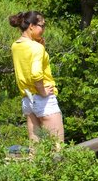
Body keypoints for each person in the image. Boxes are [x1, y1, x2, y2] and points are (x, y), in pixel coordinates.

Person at [8, 11, 64, 145]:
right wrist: (43, 91)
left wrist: (41, 47)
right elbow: (35, 73)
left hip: (28, 100)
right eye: (42, 25)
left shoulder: (16, 46)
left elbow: (26, 66)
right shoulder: (36, 48)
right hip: (44, 101)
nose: (43, 29)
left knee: (36, 149)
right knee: (58, 147)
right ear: (31, 26)